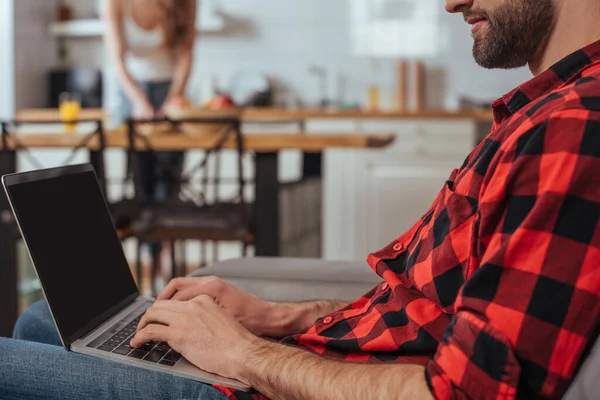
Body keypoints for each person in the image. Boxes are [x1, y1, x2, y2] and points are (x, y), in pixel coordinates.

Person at [2, 0, 600, 398]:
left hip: (263, 388)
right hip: (308, 359)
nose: (449, 1)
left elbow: (466, 391)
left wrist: (244, 354)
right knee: (43, 319)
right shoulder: (543, 113)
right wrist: (271, 317)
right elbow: (432, 314)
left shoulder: (571, 128)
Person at [104, 0, 196, 281]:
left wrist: (171, 100)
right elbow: (117, 60)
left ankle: (164, 263)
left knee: (168, 186)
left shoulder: (185, 3)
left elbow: (185, 55)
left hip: (172, 91)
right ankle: (150, 259)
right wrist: (139, 101)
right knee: (142, 186)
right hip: (131, 93)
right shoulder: (114, 3)